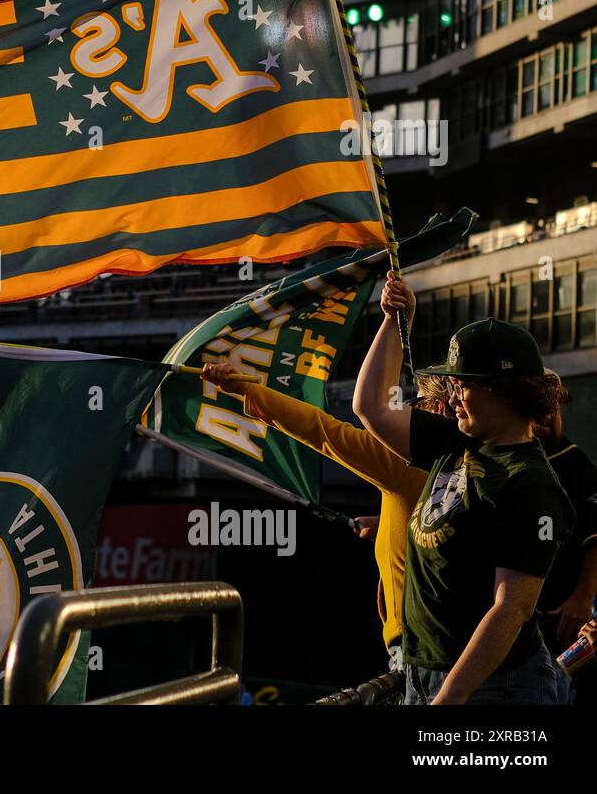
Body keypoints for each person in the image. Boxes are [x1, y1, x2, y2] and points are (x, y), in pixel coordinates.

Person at [353, 272, 574, 704]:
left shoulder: (531, 486)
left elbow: (510, 612)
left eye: (464, 384)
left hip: (491, 688)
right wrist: (397, 321)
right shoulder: (454, 438)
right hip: (425, 673)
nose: (452, 397)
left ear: (506, 391)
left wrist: (446, 701)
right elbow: (371, 407)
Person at [200, 352, 451, 671]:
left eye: (418, 403)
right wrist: (387, 521)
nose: (409, 411)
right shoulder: (481, 458)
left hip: (423, 651)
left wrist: (249, 390)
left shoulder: (405, 462)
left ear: (439, 409)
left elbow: (322, 430)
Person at [531, 377, 597, 704]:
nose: (550, 416)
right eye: (542, 406)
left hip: (563, 624)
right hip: (517, 623)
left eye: (554, 407)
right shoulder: (501, 458)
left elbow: (595, 536)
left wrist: (583, 598)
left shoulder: (573, 460)